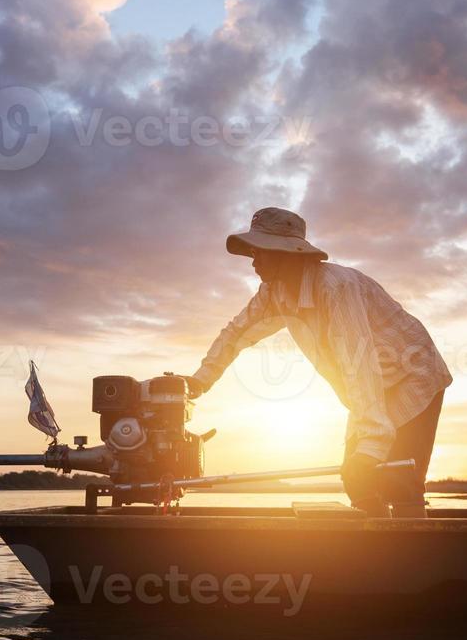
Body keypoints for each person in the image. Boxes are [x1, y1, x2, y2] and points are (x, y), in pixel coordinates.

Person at [182, 208, 452, 517]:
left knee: (398, 478)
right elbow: (237, 332)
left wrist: (371, 446)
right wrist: (201, 379)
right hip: (372, 386)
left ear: (284, 253)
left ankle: (413, 553)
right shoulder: (273, 293)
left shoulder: (335, 288)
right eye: (252, 252)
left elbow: (358, 364)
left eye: (259, 252)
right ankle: (378, 551)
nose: (253, 260)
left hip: (412, 373)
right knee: (358, 481)